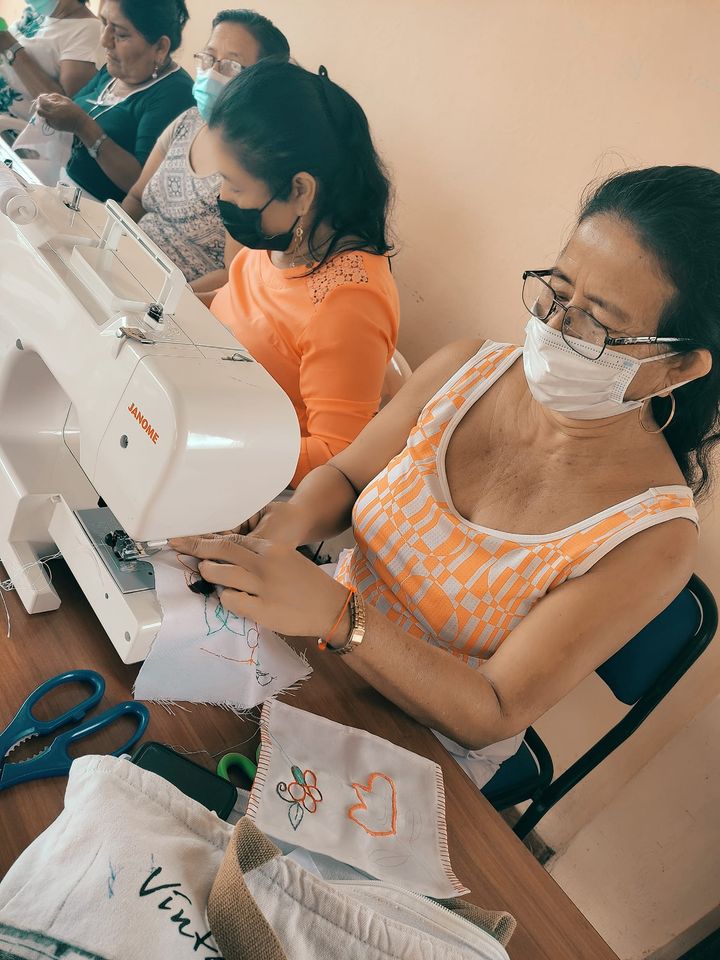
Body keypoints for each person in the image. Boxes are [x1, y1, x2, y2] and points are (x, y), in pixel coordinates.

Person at [173, 165, 719, 789]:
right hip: (310, 648)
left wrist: (341, 617)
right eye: (557, 291)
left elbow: (493, 710)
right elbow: (348, 476)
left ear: (678, 367)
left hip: (422, 748)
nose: (554, 327)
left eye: (597, 322)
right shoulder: (470, 368)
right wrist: (290, 522)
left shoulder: (652, 536)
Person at [205, 60, 400, 486]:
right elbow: (245, 311)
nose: (222, 197)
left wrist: (215, 448)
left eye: (234, 185)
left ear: (299, 190)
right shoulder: (285, 238)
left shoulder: (347, 305)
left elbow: (337, 453)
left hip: (253, 475)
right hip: (210, 411)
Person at [121, 9, 290, 283]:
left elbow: (233, 274)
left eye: (231, 66)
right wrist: (107, 244)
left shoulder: (255, 164)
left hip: (178, 296)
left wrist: (164, 299)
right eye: (209, 58)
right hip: (122, 264)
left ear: (263, 84)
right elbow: (136, 198)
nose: (212, 73)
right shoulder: (188, 121)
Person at [34, 0, 194, 202]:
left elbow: (142, 185)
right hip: (63, 187)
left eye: (120, 34)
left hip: (101, 211)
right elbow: (75, 107)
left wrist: (83, 127)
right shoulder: (115, 70)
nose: (104, 40)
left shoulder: (175, 94)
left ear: (160, 47)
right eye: (104, 23)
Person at [0, 1, 102, 121]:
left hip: (13, 126)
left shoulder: (88, 31)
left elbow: (63, 113)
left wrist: (11, 48)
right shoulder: (37, 11)